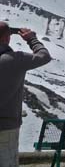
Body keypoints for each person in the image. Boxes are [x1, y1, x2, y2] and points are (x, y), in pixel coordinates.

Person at [0, 23, 51, 167]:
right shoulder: (14, 59)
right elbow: (44, 56)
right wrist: (31, 39)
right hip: (6, 125)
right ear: (7, 39)